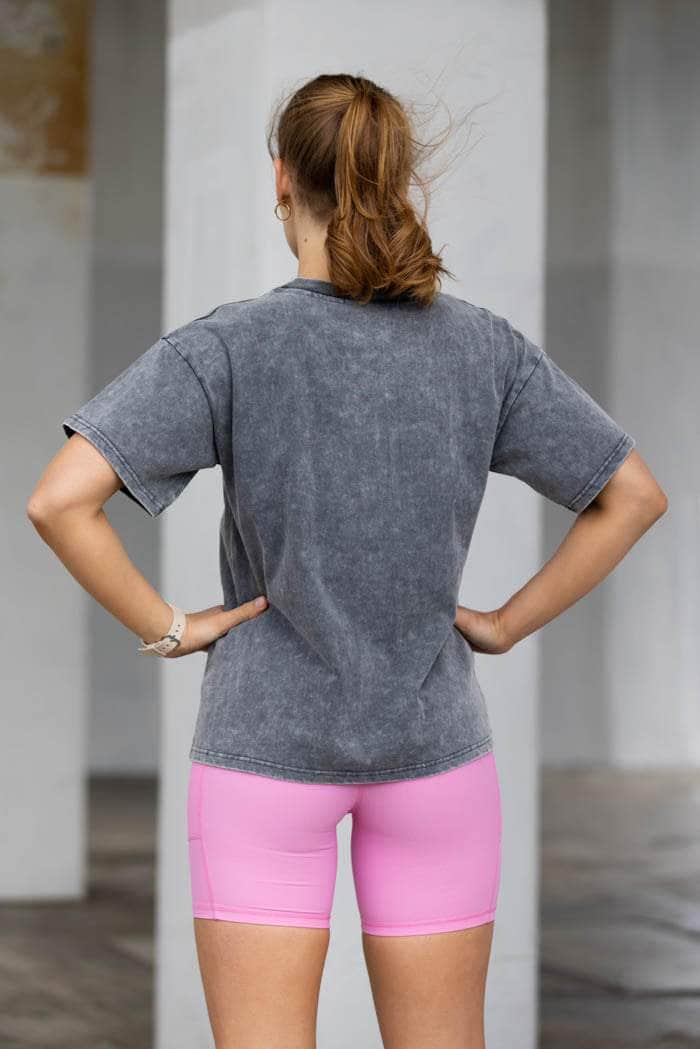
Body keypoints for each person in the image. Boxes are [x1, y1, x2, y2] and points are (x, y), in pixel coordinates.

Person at [27, 72, 667, 1049]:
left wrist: (171, 628)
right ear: (396, 179)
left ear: (282, 178)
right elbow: (633, 494)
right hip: (435, 756)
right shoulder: (482, 349)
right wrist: (504, 623)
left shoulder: (231, 345)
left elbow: (59, 500)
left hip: (261, 756)